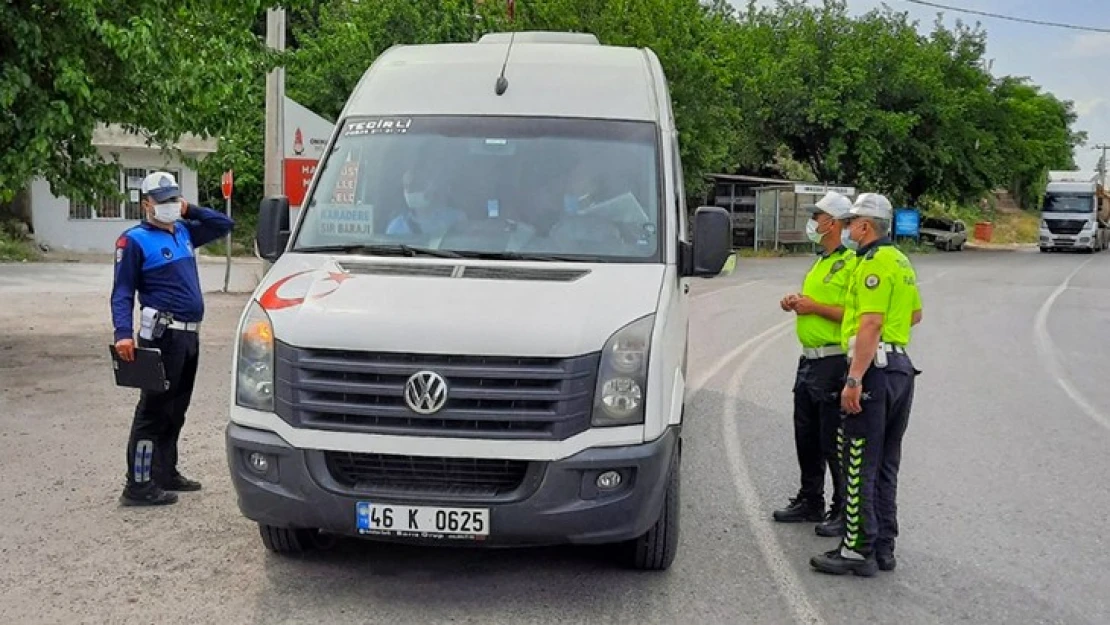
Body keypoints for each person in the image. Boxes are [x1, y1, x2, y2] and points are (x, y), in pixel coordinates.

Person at [809, 192, 922, 577]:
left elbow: (869, 324)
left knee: (857, 460)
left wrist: (854, 377)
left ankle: (857, 549)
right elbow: (915, 313)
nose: (846, 227)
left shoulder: (873, 264)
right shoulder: (900, 261)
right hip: (901, 368)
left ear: (865, 226)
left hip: (874, 369)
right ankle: (884, 546)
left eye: (851, 221)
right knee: (887, 463)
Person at [111, 171, 235, 506]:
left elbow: (224, 224)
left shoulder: (182, 232)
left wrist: (190, 211)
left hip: (188, 337)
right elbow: (122, 292)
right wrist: (123, 333)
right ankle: (137, 485)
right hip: (161, 336)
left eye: (172, 198)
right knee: (153, 411)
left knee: (176, 409)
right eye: (161, 199)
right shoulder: (133, 241)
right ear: (146, 203)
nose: (168, 205)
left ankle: (165, 472)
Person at [773, 192, 856, 540]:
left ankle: (841, 508)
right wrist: (795, 301)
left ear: (833, 223)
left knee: (831, 440)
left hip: (834, 360)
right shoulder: (821, 260)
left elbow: (858, 314)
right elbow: (817, 302)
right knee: (805, 435)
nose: (813, 221)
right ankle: (810, 499)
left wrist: (816, 308)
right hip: (809, 361)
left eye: (818, 215)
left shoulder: (852, 263)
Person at [385, 165, 466, 237]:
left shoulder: (455, 219)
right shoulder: (396, 227)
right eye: (406, 186)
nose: (409, 191)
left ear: (431, 187)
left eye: (415, 185)